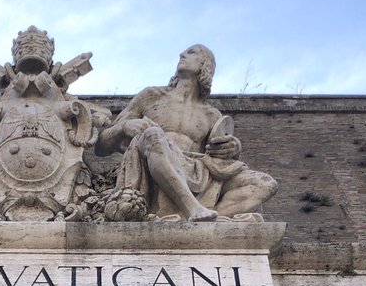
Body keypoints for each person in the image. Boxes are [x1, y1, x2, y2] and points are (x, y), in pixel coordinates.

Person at [96, 44, 277, 221]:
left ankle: (212, 216)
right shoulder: (152, 96)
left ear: (205, 66)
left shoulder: (212, 115)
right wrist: (124, 127)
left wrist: (233, 148)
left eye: (191, 52)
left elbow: (218, 155)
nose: (182, 54)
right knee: (153, 134)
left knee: (265, 183)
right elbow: (101, 145)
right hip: (154, 162)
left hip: (196, 169)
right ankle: (192, 209)